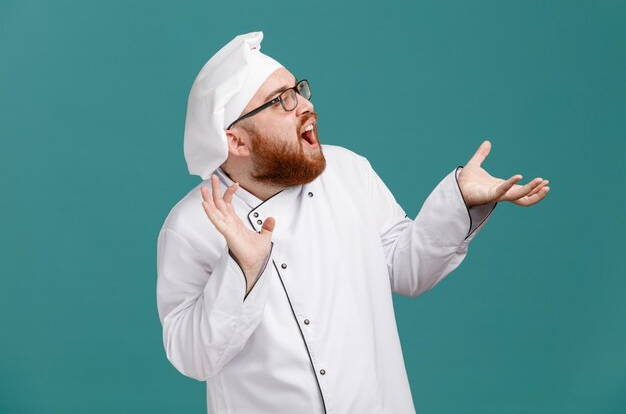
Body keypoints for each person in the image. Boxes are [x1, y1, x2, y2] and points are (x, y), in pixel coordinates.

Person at [156, 31, 550, 414]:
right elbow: (193, 358)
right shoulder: (190, 226)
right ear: (236, 142)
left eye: (300, 91)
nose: (306, 107)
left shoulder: (348, 172)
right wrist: (242, 269)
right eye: (282, 101)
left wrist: (459, 198)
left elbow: (407, 269)